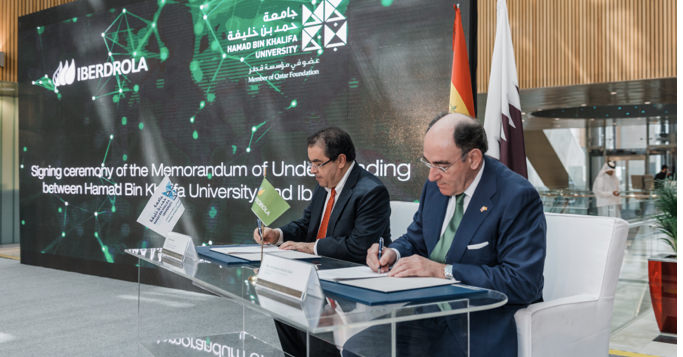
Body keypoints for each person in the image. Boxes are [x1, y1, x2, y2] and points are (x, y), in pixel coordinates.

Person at [343, 113, 546, 357]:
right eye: (428, 164)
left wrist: (442, 270)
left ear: (473, 158)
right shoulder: (435, 185)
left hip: (476, 322)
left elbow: (523, 283)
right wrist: (392, 252)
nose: (431, 176)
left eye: (442, 166)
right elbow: (416, 238)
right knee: (357, 350)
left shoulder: (516, 196)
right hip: (424, 312)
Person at [253, 126, 391, 357]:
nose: (312, 170)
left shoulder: (371, 191)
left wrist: (309, 247)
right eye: (310, 163)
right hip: (317, 277)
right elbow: (307, 225)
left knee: (313, 322)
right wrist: (277, 234)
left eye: (318, 163)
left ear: (340, 160)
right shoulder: (324, 186)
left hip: (349, 285)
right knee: (283, 308)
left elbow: (359, 248)